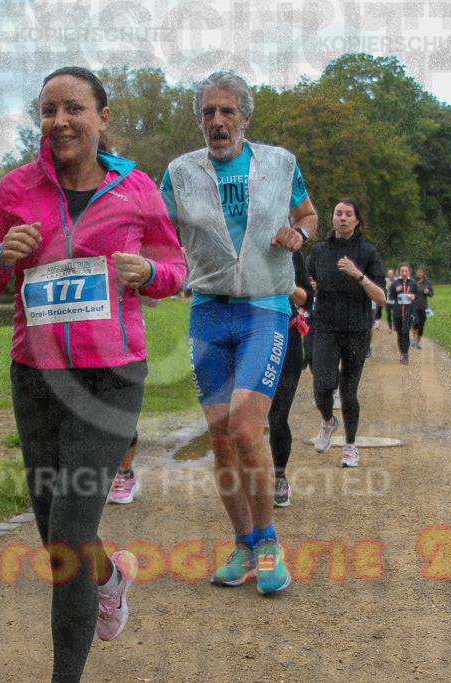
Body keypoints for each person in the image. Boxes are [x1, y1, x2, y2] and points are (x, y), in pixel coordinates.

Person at [0, 66, 185, 681]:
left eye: (74, 108)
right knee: (53, 530)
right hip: (35, 378)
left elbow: (174, 267)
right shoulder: (15, 189)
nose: (60, 121)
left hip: (112, 376)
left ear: (102, 118)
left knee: (67, 532)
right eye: (49, 110)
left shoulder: (137, 189)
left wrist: (150, 274)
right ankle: (110, 577)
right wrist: (2, 258)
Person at [161, 71, 317, 594]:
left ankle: (270, 542)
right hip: (208, 311)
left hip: (264, 309)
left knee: (248, 429)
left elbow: (309, 213)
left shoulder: (280, 163)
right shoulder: (180, 172)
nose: (217, 121)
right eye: (208, 113)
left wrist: (299, 233)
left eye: (227, 112)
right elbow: (157, 230)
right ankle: (243, 545)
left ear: (245, 118)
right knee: (223, 441)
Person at [307, 198, 386, 468]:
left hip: (357, 329)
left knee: (349, 391)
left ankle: (350, 446)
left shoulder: (367, 252)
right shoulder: (319, 251)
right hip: (325, 326)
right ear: (332, 219)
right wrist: (311, 288)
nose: (342, 218)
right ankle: (329, 421)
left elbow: (382, 298)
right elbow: (306, 287)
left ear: (356, 221)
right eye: (338, 213)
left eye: (348, 214)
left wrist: (358, 275)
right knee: (322, 386)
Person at [268, 250, 314, 507]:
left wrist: (281, 283)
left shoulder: (289, 247)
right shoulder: (235, 238)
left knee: (278, 416)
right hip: (245, 338)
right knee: (242, 415)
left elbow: (306, 297)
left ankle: (279, 476)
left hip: (285, 339)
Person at [389, 262, 417, 364]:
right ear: (399, 272)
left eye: (406, 271)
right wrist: (395, 291)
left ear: (409, 272)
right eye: (402, 271)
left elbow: (416, 295)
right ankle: (402, 353)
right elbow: (391, 297)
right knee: (400, 334)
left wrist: (414, 297)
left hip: (409, 312)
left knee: (405, 332)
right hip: (398, 312)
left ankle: (405, 354)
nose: (404, 273)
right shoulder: (395, 283)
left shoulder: (413, 283)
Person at [411, 265, 433, 348]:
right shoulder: (413, 281)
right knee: (415, 323)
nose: (420, 273)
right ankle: (413, 337)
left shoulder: (427, 283)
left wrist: (428, 292)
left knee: (421, 325)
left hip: (423, 307)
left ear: (424, 273)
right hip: (414, 306)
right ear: (416, 272)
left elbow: (431, 294)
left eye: (421, 272)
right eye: (418, 272)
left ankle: (418, 341)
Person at [383, 267, 397, 332]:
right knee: (388, 315)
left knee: (395, 315)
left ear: (393, 274)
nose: (389, 275)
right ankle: (390, 328)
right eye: (388, 274)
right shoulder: (386, 281)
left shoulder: (397, 281)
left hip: (395, 301)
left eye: (390, 274)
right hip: (388, 301)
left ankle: (394, 325)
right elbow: (384, 291)